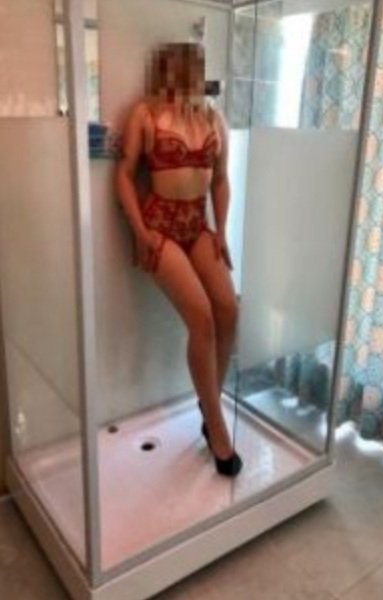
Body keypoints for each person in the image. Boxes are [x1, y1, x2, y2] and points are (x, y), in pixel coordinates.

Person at [115, 42, 242, 477]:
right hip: (160, 226)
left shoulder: (212, 118)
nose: (184, 76)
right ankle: (218, 429)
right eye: (175, 67)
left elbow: (220, 180)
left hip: (196, 225)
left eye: (190, 68)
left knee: (229, 310)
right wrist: (140, 231)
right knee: (202, 319)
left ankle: (209, 406)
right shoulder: (145, 114)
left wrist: (221, 231)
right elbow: (124, 174)